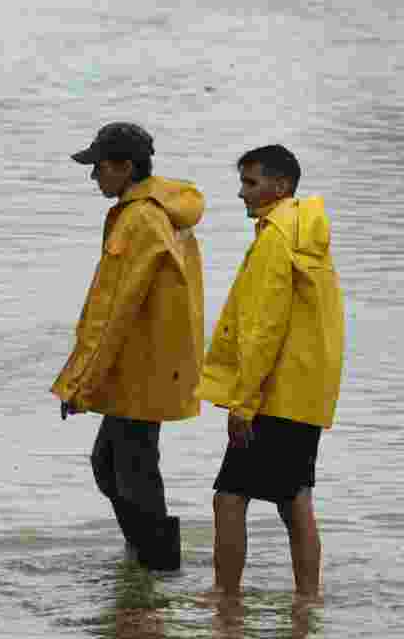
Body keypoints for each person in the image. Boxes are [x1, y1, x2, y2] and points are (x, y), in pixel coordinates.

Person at [50, 122, 205, 571]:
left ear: (125, 167)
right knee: (115, 464)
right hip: (148, 363)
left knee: (130, 469)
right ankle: (147, 557)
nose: (93, 178)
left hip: (141, 368)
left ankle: (157, 566)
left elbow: (111, 312)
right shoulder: (158, 210)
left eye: (98, 168)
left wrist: (79, 383)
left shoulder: (139, 220)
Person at [198, 145, 345, 596]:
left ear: (280, 186)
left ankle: (225, 601)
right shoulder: (306, 232)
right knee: (294, 497)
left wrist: (243, 402)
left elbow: (263, 329)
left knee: (229, 499)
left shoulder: (276, 238)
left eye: (250, 183)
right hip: (306, 392)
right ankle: (307, 602)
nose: (241, 193)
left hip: (275, 394)